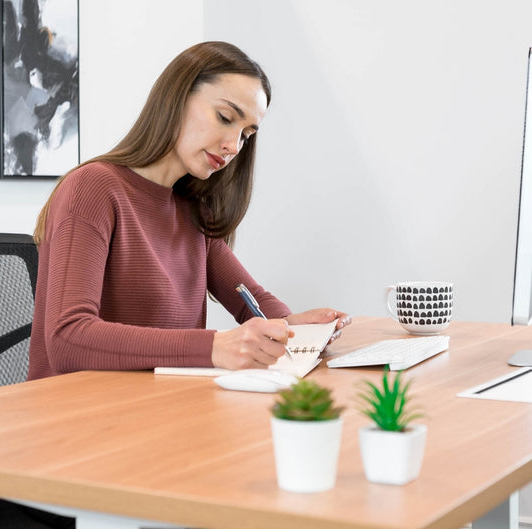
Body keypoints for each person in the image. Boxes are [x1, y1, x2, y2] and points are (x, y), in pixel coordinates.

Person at [27, 41, 351, 380]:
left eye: (246, 134)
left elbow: (248, 299)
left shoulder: (193, 211)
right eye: (225, 117)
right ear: (176, 97)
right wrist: (215, 347)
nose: (233, 146)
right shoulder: (92, 188)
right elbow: (68, 339)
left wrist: (290, 326)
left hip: (160, 409)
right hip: (76, 417)